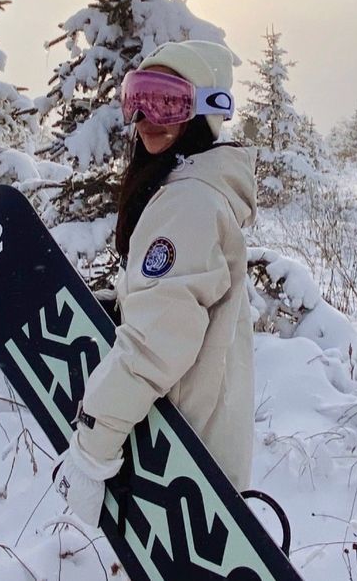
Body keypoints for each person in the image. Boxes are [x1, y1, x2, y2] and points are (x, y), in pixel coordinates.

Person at [55, 40, 258, 527]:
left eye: (168, 102)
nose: (146, 118)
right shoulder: (199, 190)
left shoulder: (187, 202)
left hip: (183, 461)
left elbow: (155, 348)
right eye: (137, 99)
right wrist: (128, 304)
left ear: (206, 109)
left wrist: (91, 448)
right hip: (200, 454)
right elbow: (181, 312)